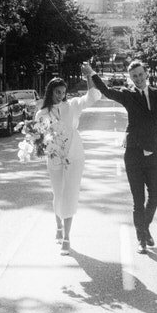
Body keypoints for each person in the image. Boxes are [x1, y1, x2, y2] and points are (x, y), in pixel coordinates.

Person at [90, 59, 157, 254]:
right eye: (134, 76)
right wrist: (92, 73)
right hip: (133, 155)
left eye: (141, 74)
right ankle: (142, 240)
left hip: (152, 155)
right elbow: (107, 92)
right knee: (138, 201)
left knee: (155, 197)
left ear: (146, 74)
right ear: (131, 78)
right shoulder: (128, 95)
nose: (139, 79)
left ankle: (144, 228)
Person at [35, 65, 102, 253]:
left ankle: (67, 237)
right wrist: (43, 146)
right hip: (55, 157)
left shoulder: (72, 105)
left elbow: (93, 96)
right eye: (57, 92)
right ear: (51, 92)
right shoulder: (42, 114)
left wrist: (89, 75)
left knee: (70, 193)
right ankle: (58, 226)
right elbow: (39, 138)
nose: (61, 96)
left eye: (63, 92)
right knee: (58, 193)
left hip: (75, 154)